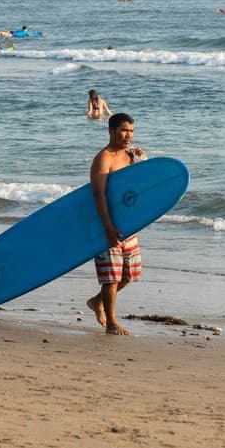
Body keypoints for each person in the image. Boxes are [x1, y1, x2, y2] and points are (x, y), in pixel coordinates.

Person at [86, 112, 146, 335]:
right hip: (107, 225)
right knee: (111, 277)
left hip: (128, 225)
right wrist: (107, 227)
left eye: (131, 131)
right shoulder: (104, 158)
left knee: (129, 275)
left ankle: (96, 302)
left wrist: (143, 160)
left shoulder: (130, 155)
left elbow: (138, 188)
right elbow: (98, 195)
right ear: (111, 131)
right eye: (123, 130)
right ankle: (111, 322)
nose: (128, 135)